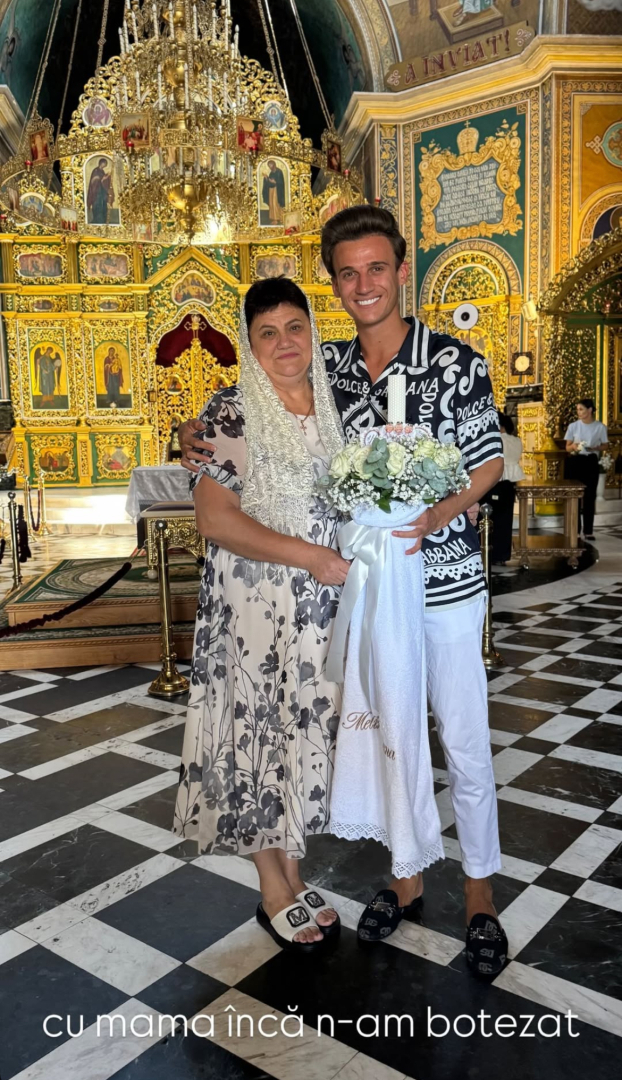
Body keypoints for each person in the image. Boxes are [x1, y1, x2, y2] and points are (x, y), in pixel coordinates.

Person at [179, 206, 508, 977]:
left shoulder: (454, 361)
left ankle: (481, 898)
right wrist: (193, 431)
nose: (364, 284)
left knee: (463, 741)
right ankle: (406, 879)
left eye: (377, 268)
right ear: (335, 283)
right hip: (365, 598)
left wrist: (441, 512)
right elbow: (259, 395)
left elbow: (489, 460)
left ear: (401, 269)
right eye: (349, 273)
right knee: (386, 734)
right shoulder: (330, 368)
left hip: (443, 585)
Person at [173, 277, 348, 954]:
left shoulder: (337, 401)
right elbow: (215, 520)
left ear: (312, 328)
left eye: (295, 326)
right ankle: (272, 886)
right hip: (254, 608)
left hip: (319, 609)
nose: (285, 343)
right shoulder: (230, 412)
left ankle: (295, 872)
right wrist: (310, 556)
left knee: (300, 733)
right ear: (250, 345)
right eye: (267, 333)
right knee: (256, 734)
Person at [564, 398, 608, 541]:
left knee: (589, 496)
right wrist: (574, 447)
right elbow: (567, 447)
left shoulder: (600, 427)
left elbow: (605, 445)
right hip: (575, 461)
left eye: (581, 409)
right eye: (577, 409)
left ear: (589, 410)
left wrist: (596, 448)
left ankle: (588, 531)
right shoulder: (573, 426)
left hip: (590, 461)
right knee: (575, 496)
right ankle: (575, 530)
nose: (579, 412)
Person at [484, 411, 524, 566]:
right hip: (510, 484)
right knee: (506, 520)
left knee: (489, 519)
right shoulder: (516, 440)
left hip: (495, 481)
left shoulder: (496, 440)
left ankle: (489, 553)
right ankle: (502, 555)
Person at [262, 160, 286, 225]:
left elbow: (281, 182)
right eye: (269, 166)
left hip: (276, 190)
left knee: (275, 203)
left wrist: (275, 182)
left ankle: (277, 218)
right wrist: (266, 178)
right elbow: (269, 181)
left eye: (271, 165)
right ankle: (273, 218)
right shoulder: (271, 172)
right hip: (271, 190)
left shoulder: (279, 172)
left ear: (274, 164)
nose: (270, 167)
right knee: (271, 204)